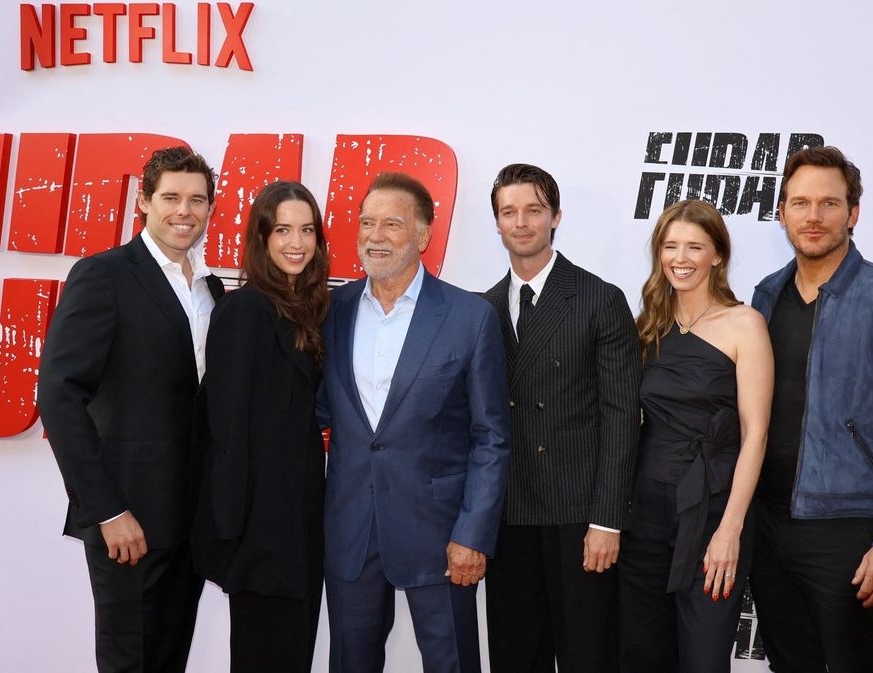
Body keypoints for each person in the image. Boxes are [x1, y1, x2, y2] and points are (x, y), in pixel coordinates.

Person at [749, 146, 873, 673]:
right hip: (767, 527)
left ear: (853, 213)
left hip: (851, 531)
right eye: (800, 203)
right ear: (782, 214)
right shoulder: (765, 297)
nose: (813, 217)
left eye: (829, 203)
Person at [315, 171, 511, 673]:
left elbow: (491, 437)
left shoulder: (469, 317)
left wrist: (472, 533)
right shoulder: (332, 311)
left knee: (452, 663)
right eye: (366, 223)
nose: (374, 236)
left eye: (392, 224)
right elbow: (314, 411)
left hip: (440, 533)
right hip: (351, 527)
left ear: (423, 236)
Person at [38, 146, 223, 673]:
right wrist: (107, 511)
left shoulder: (210, 288)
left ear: (211, 208)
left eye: (196, 200)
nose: (184, 211)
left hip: (190, 519)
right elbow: (59, 395)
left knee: (168, 660)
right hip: (128, 522)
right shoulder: (105, 274)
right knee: (130, 662)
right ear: (143, 201)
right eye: (170, 197)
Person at [482, 163, 642, 673]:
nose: (521, 222)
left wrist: (607, 520)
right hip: (508, 516)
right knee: (514, 657)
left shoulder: (599, 299)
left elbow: (622, 417)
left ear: (555, 217)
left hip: (580, 517)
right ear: (497, 222)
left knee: (587, 657)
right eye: (509, 212)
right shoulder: (482, 309)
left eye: (534, 210)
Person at [617, 200, 773, 672]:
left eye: (694, 247)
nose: (680, 258)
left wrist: (730, 529)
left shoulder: (745, 324)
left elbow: (756, 434)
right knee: (642, 653)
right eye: (670, 246)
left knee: (704, 657)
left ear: (717, 254)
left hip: (711, 510)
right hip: (645, 513)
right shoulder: (649, 325)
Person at [191, 181, 329, 673]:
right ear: (262, 237)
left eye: (307, 230)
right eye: (283, 230)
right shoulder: (244, 310)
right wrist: (236, 535)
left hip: (302, 520)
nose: (297, 242)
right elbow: (225, 429)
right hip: (260, 532)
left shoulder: (308, 309)